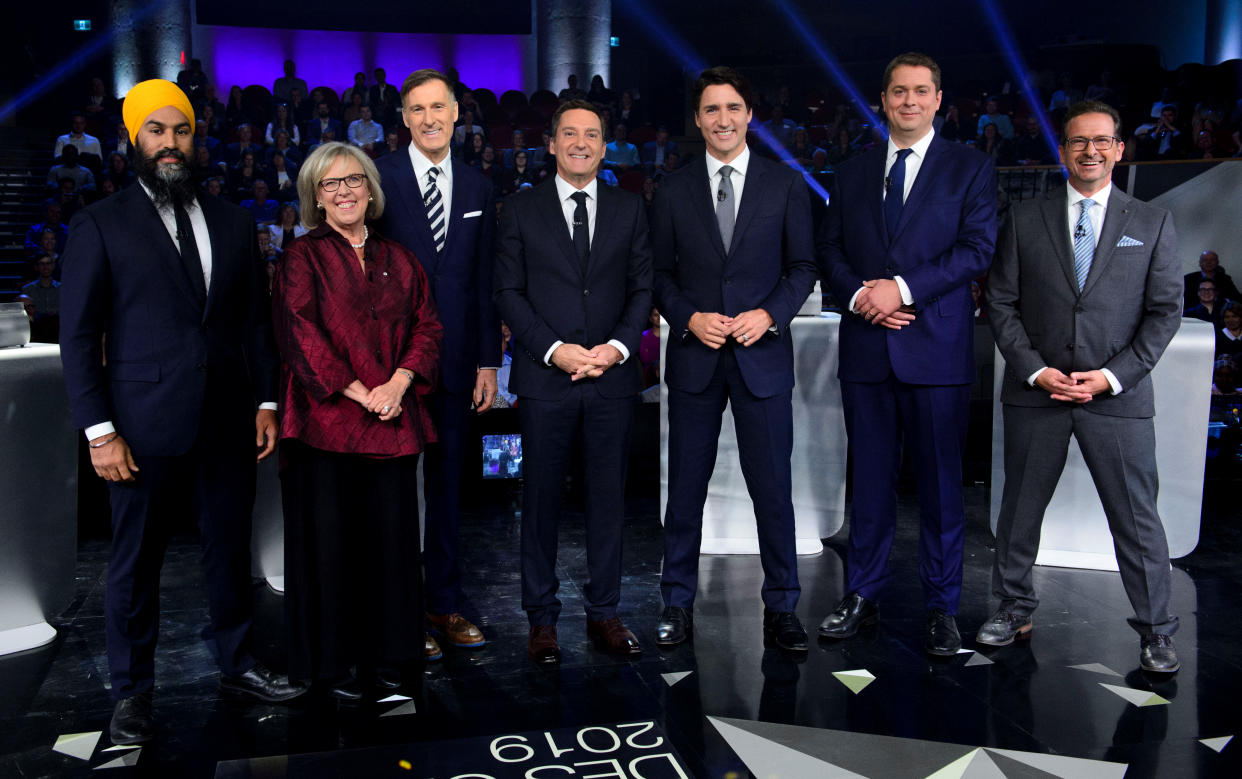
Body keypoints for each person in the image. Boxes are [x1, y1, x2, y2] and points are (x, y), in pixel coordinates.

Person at [58, 79, 304, 746]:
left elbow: (253, 320)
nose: (171, 143)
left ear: (197, 139)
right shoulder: (99, 223)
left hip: (226, 422)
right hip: (140, 427)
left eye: (182, 131)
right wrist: (99, 431)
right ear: (131, 140)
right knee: (135, 565)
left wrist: (264, 398)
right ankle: (132, 691)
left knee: (230, 552)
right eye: (156, 131)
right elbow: (79, 337)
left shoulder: (229, 219)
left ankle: (239, 663)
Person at [983, 100, 1182, 673]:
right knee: (1019, 511)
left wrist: (1113, 376)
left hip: (1117, 397)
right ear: (1062, 149)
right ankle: (1011, 607)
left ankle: (1155, 630)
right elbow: (1001, 302)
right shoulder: (1024, 218)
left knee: (1137, 519)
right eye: (1077, 141)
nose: (1089, 151)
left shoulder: (1152, 222)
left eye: (1101, 141)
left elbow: (1164, 313)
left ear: (1120, 149)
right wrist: (1038, 370)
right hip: (1036, 392)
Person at [816, 52, 998, 656]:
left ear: (939, 100)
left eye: (922, 91)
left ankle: (942, 607)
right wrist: (864, 293)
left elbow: (977, 249)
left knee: (944, 490)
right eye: (899, 92)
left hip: (937, 352)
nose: (910, 101)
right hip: (868, 347)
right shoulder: (851, 173)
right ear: (884, 100)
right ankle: (862, 592)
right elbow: (831, 251)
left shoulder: (970, 168)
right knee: (869, 482)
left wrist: (904, 288)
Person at [650, 66, 817, 651]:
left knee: (773, 489)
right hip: (697, 356)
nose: (723, 119)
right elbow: (660, 275)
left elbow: (803, 268)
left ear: (750, 115)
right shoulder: (671, 189)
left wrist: (769, 314)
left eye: (734, 108)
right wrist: (687, 317)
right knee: (686, 489)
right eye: (712, 110)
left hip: (761, 356)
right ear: (698, 119)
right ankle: (676, 602)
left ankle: (783, 608)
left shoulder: (785, 184)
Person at [271, 141, 442, 699]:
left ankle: (393, 657)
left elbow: (427, 328)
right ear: (316, 199)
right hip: (325, 426)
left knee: (392, 549)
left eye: (353, 181)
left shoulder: (402, 257)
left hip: (394, 419)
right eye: (330, 184)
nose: (344, 191)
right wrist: (360, 392)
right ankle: (334, 664)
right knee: (331, 551)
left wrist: (398, 383)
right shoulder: (301, 257)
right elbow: (301, 335)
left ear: (371, 191)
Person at [494, 99, 653, 665]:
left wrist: (612, 349)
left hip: (611, 380)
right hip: (546, 380)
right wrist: (557, 351)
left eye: (592, 134)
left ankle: (605, 612)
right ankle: (541, 620)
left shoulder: (630, 209)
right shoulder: (518, 210)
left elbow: (641, 290)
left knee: (608, 503)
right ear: (552, 144)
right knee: (538, 503)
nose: (581, 142)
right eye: (570, 134)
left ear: (604, 146)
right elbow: (508, 293)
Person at [375, 69, 500, 661]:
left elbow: (482, 282)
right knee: (398, 496)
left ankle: (443, 604)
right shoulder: (379, 177)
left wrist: (487, 362)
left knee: (448, 493)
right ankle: (398, 611)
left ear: (457, 114)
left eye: (439, 107)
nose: (429, 118)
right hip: (394, 369)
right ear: (404, 118)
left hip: (455, 367)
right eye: (417, 109)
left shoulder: (478, 186)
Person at [21, 254, 60, 343]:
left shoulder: (62, 288)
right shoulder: (27, 289)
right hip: (37, 331)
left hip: (58, 330)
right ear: (36, 267)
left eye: (48, 263)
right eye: (42, 264)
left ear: (53, 266)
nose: (45, 267)